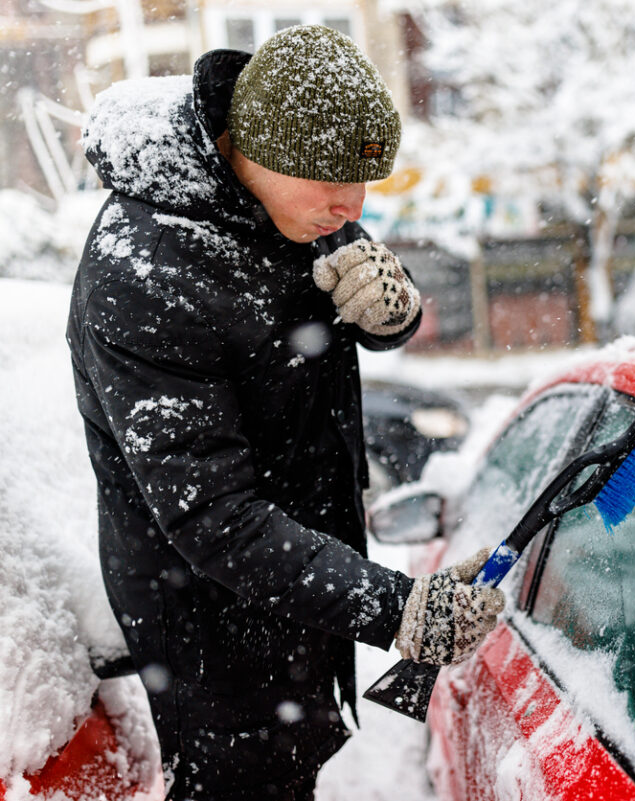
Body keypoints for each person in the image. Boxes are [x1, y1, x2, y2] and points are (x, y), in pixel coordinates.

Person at [66, 25, 503, 800]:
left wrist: (390, 311)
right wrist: (397, 608)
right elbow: (214, 515)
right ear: (249, 146)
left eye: (365, 182)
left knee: (294, 767)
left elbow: (346, 290)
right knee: (244, 782)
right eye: (331, 182)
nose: (351, 206)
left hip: (297, 575)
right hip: (210, 618)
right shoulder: (145, 272)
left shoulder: (295, 198)